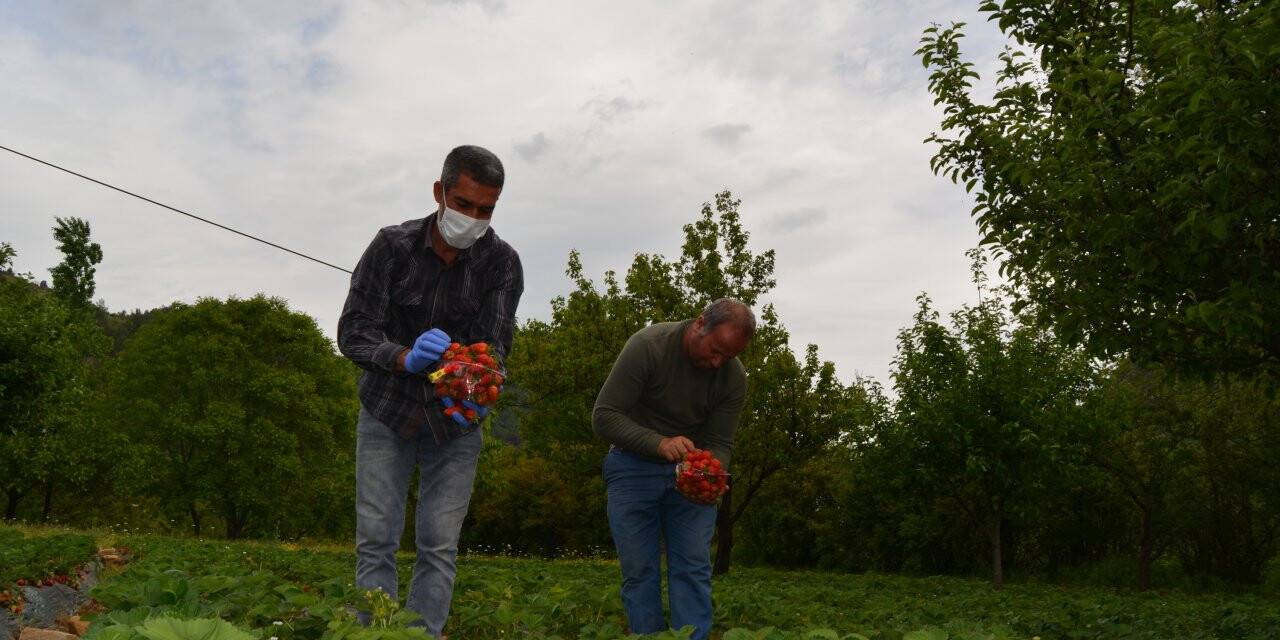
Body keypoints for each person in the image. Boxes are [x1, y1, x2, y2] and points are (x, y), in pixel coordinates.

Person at [337, 144, 523, 637]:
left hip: (455, 423)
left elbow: (495, 347)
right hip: (386, 410)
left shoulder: (501, 263)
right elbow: (353, 332)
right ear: (440, 193)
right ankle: (376, 632)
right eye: (464, 205)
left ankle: (423, 633)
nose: (474, 219)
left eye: (486, 210)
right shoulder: (391, 247)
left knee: (439, 542)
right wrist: (403, 356)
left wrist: (470, 378)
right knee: (376, 536)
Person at [592, 298, 755, 640]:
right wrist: (659, 443)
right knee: (640, 571)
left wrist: (709, 470)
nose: (717, 361)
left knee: (693, 568)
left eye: (727, 356)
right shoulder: (648, 346)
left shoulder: (733, 376)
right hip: (631, 466)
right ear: (700, 323)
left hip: (690, 476)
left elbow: (721, 442)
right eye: (715, 350)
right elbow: (604, 416)